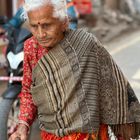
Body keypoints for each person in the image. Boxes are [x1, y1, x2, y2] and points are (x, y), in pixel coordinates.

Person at [9, 0, 140, 140]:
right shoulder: (31, 48)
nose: (41, 34)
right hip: (51, 134)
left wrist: (123, 126)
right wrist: (23, 125)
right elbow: (28, 91)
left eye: (47, 25)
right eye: (34, 26)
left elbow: (112, 84)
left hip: (90, 135)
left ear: (64, 21)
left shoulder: (86, 44)